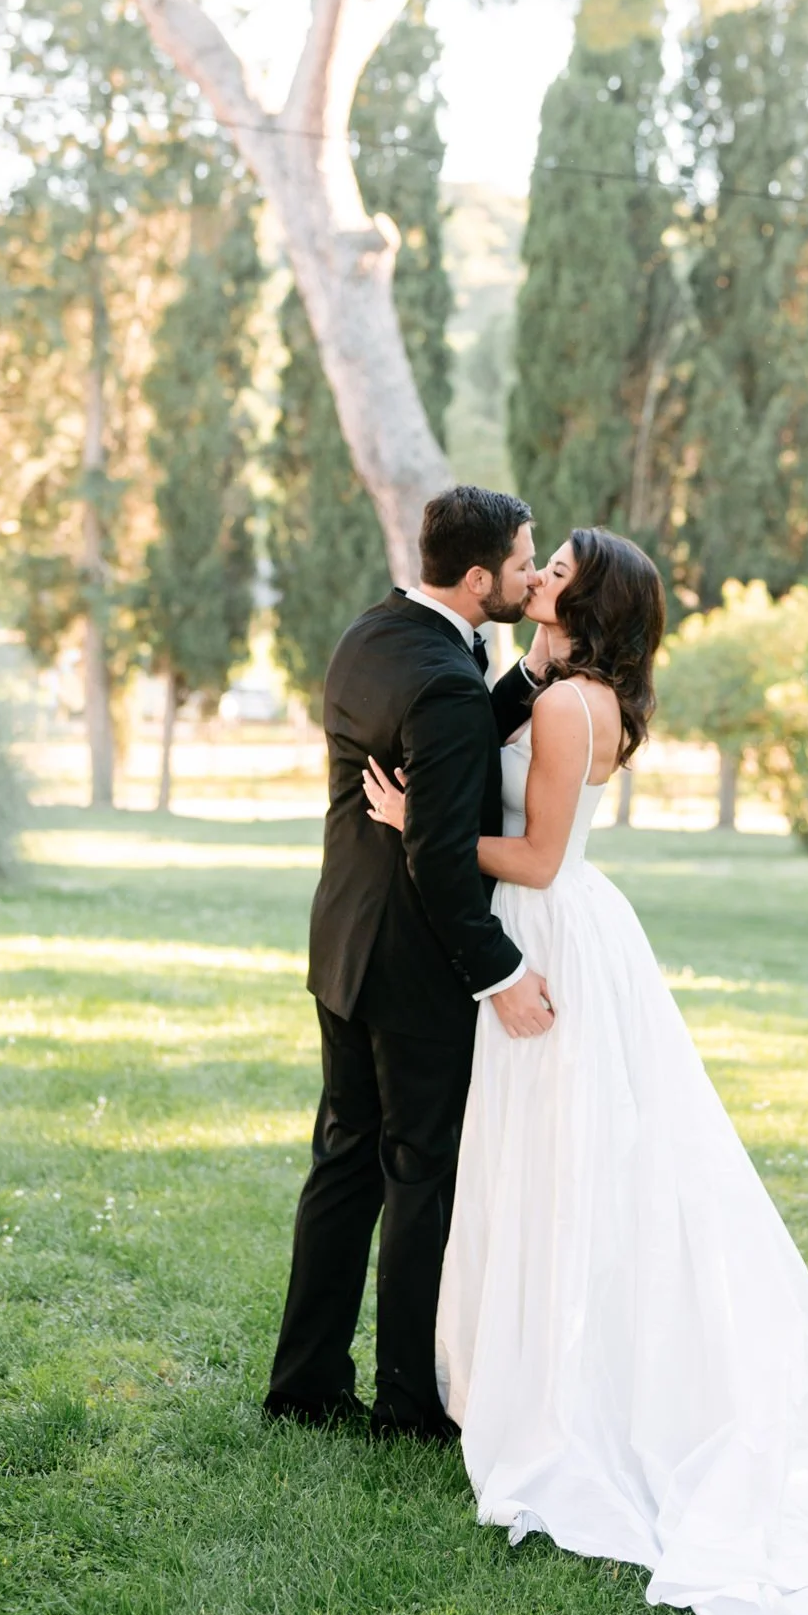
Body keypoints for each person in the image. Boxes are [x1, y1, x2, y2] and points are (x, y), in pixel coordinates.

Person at [362, 525, 808, 1615]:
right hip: (576, 930)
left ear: (584, 603)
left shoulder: (562, 709)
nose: (536, 576)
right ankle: (533, 1371)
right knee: (563, 1162)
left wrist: (424, 828)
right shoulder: (568, 689)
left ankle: (561, 1401)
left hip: (545, 928)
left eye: (555, 573)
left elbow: (539, 857)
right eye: (537, 564)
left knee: (557, 1163)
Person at [262, 485, 556, 1442]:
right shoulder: (442, 679)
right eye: (521, 562)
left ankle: (303, 1386)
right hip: (414, 968)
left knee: (343, 1164)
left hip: (343, 945)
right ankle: (406, 1404)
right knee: (419, 1175)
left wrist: (533, 676)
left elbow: (458, 718)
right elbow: (436, 855)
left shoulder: (374, 636)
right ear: (478, 579)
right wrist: (502, 973)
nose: (529, 573)